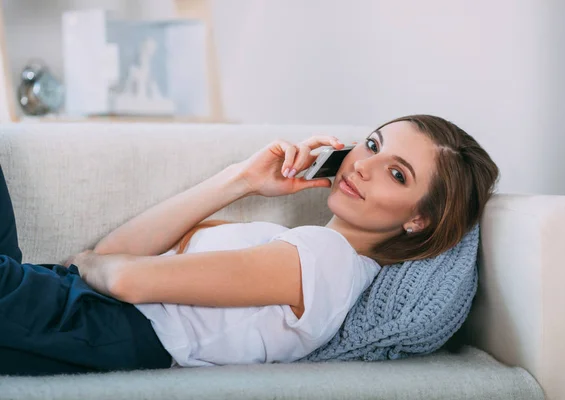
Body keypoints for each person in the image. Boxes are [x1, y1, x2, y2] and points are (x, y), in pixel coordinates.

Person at [0, 115, 499, 375]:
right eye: (373, 144)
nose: (364, 165)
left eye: (396, 173)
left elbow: (124, 276)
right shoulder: (297, 247)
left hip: (107, 325)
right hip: (87, 307)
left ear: (419, 219)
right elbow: (112, 256)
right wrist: (240, 179)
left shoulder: (330, 265)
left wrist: (86, 264)